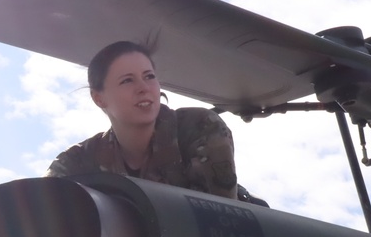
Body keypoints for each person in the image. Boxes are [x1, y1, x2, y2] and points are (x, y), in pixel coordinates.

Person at [46, 40, 238, 200]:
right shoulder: (78, 161)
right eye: (127, 80)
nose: (143, 88)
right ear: (99, 98)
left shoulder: (198, 127)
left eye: (149, 76)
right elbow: (40, 210)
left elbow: (219, 222)